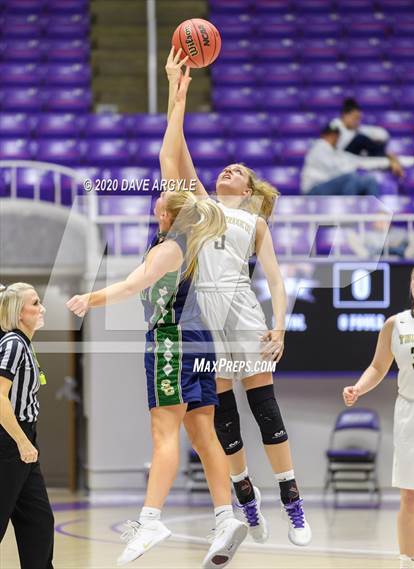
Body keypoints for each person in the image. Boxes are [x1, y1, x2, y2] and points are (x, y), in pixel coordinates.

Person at [67, 69, 247, 569]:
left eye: (162, 195)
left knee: (163, 431)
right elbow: (173, 154)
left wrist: (88, 300)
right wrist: (176, 91)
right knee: (201, 430)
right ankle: (225, 514)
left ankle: (149, 518)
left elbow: (131, 286)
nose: (157, 192)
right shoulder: (197, 227)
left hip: (171, 339)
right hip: (202, 340)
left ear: (171, 209)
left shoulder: (173, 243)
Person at [165, 48, 311, 546]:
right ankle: (246, 497)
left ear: (248, 189)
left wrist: (281, 325)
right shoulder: (202, 207)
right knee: (224, 418)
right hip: (205, 317)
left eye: (237, 171)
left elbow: (275, 281)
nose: (228, 171)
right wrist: (176, 91)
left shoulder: (255, 221)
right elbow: (175, 152)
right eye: (224, 168)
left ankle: (292, 502)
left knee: (265, 409)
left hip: (244, 313)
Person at [343, 263, 414, 569]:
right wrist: (358, 389)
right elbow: (377, 367)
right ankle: (406, 561)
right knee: (411, 494)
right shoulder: (395, 324)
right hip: (410, 413)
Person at [0, 282, 54, 569]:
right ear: (19, 313)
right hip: (10, 441)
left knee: (39, 521)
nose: (41, 307)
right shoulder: (13, 344)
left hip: (24, 440)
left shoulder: (25, 344)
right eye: (35, 303)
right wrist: (21, 441)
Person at [301, 124, 396, 196]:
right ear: (328, 135)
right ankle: (350, 218)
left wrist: (388, 162)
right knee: (350, 178)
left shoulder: (336, 151)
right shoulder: (319, 146)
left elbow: (359, 161)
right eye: (335, 136)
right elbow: (336, 170)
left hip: (332, 186)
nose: (336, 139)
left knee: (370, 180)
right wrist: (352, 168)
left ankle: (377, 218)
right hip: (313, 190)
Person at [330, 97, 414, 174]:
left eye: (359, 119)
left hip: (357, 156)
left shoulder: (357, 128)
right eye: (355, 118)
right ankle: (391, 158)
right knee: (361, 139)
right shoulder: (335, 126)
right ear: (345, 115)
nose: (357, 121)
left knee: (374, 141)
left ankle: (391, 158)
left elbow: (383, 134)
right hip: (340, 157)